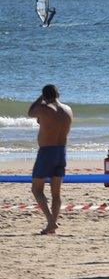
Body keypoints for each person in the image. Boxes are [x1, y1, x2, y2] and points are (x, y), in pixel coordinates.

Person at [27, 84, 72, 235]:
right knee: (56, 194)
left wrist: (40, 98)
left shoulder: (44, 109)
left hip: (47, 152)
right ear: (58, 94)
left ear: (45, 96)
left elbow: (30, 112)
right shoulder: (68, 110)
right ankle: (52, 224)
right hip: (61, 151)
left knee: (37, 189)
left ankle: (51, 222)